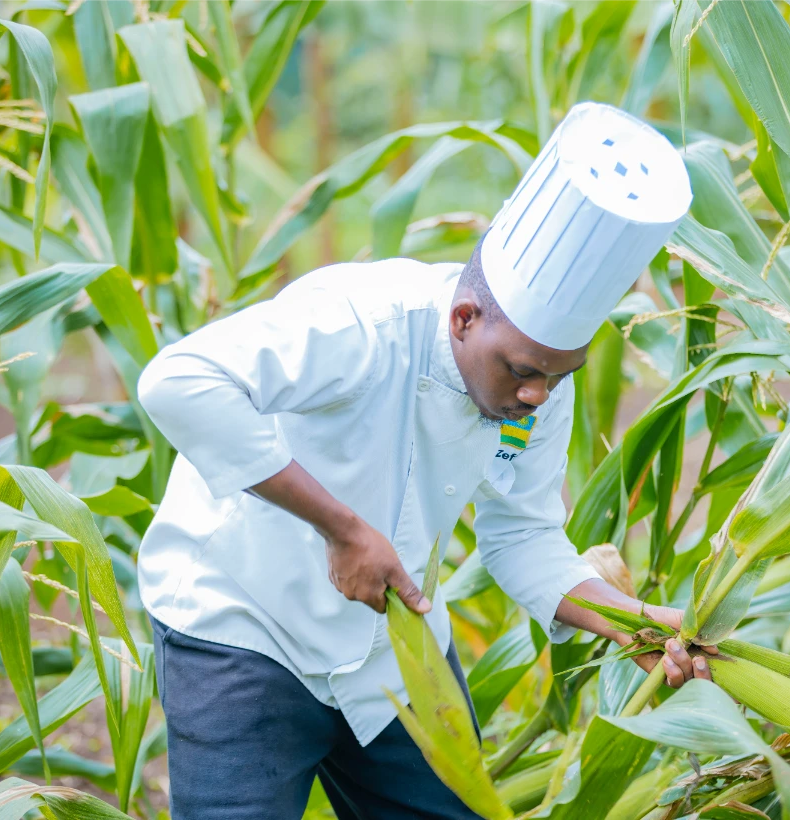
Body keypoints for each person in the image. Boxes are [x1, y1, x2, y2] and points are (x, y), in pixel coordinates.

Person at [136, 102, 710, 820]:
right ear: (463, 318)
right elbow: (177, 383)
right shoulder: (362, 323)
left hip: (392, 649)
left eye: (558, 375)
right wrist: (342, 529)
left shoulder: (538, 384)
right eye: (522, 370)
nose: (535, 395)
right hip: (245, 631)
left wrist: (637, 626)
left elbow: (524, 537)